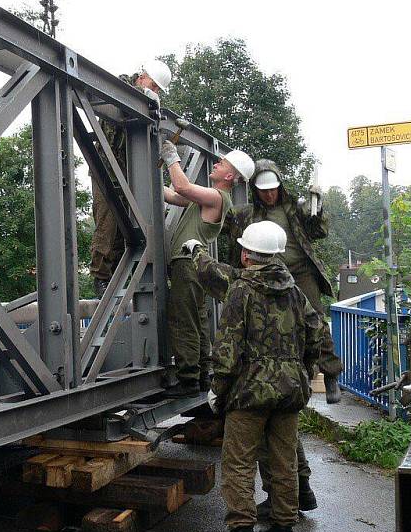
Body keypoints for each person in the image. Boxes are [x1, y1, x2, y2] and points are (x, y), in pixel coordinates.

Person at [201, 221, 322, 532]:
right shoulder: (294, 291)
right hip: (289, 390)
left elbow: (228, 346)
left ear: (246, 254)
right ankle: (282, 531)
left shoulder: (242, 290)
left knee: (239, 461)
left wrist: (218, 388)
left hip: (250, 392)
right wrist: (301, 373)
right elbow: (316, 334)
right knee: (284, 461)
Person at [224, 159, 342, 402]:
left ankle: (331, 375)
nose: (269, 194)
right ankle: (274, 380)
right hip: (267, 275)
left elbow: (319, 232)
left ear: (280, 186)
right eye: (263, 190)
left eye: (273, 189)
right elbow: (227, 232)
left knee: (317, 320)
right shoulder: (246, 214)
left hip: (300, 272)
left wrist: (317, 211)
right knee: (263, 325)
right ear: (255, 190)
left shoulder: (295, 209)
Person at [162, 140, 254, 397]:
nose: (215, 163)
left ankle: (188, 379)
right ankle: (202, 375)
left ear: (229, 175)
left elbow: (181, 185)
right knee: (198, 320)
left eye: (221, 163)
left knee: (184, 321)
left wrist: (172, 158)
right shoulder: (208, 198)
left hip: (186, 264)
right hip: (193, 266)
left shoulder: (216, 197)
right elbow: (174, 195)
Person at [89, 60, 171, 297]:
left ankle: (114, 274)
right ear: (143, 77)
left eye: (157, 90)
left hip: (126, 173)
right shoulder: (122, 85)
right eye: (153, 87)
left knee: (124, 226)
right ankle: (100, 275)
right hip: (104, 169)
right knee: (107, 223)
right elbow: (121, 96)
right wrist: (143, 97)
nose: (154, 92)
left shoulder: (145, 101)